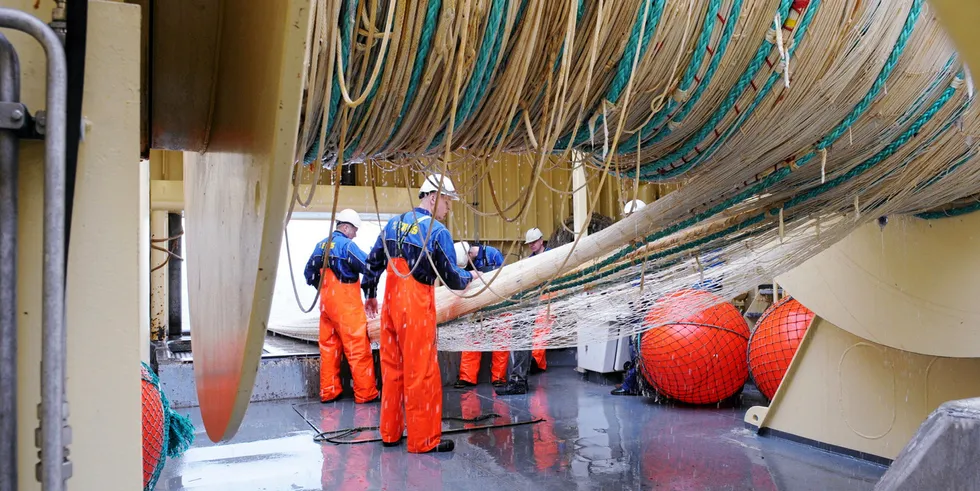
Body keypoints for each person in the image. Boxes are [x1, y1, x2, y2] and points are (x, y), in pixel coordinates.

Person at [361, 174, 477, 454]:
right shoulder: (437, 232)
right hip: (415, 310)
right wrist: (469, 276)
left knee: (392, 371)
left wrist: (371, 295)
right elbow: (452, 279)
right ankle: (423, 440)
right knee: (421, 373)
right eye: (447, 202)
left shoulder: (392, 225)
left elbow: (372, 263)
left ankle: (390, 433)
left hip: (390, 307)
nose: (448, 209)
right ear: (434, 197)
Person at [304, 208, 379, 404]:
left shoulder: (321, 245)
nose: (356, 234)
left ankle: (329, 391)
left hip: (327, 306)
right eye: (355, 229)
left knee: (329, 349)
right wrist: (371, 293)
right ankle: (366, 393)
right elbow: (369, 267)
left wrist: (326, 289)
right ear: (346, 227)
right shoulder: (347, 246)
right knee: (358, 349)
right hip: (347, 308)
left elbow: (309, 274)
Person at [495, 228, 550, 396]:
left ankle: (519, 380)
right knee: (521, 337)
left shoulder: (551, 257)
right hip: (529, 303)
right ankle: (520, 379)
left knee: (522, 337)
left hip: (540, 303)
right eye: (530, 243)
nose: (532, 245)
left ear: (541, 240)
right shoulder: (530, 261)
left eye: (534, 242)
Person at [453, 241, 509, 388]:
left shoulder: (493, 254)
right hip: (476, 304)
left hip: (497, 301)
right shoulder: (467, 262)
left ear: (469, 255)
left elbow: (505, 277)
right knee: (472, 337)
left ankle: (499, 377)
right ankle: (467, 377)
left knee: (501, 336)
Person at [611, 199, 648, 396]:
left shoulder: (645, 239)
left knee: (639, 345)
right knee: (634, 344)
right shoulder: (633, 240)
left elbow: (646, 273)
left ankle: (634, 385)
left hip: (645, 300)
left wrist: (641, 298)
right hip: (636, 299)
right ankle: (634, 383)